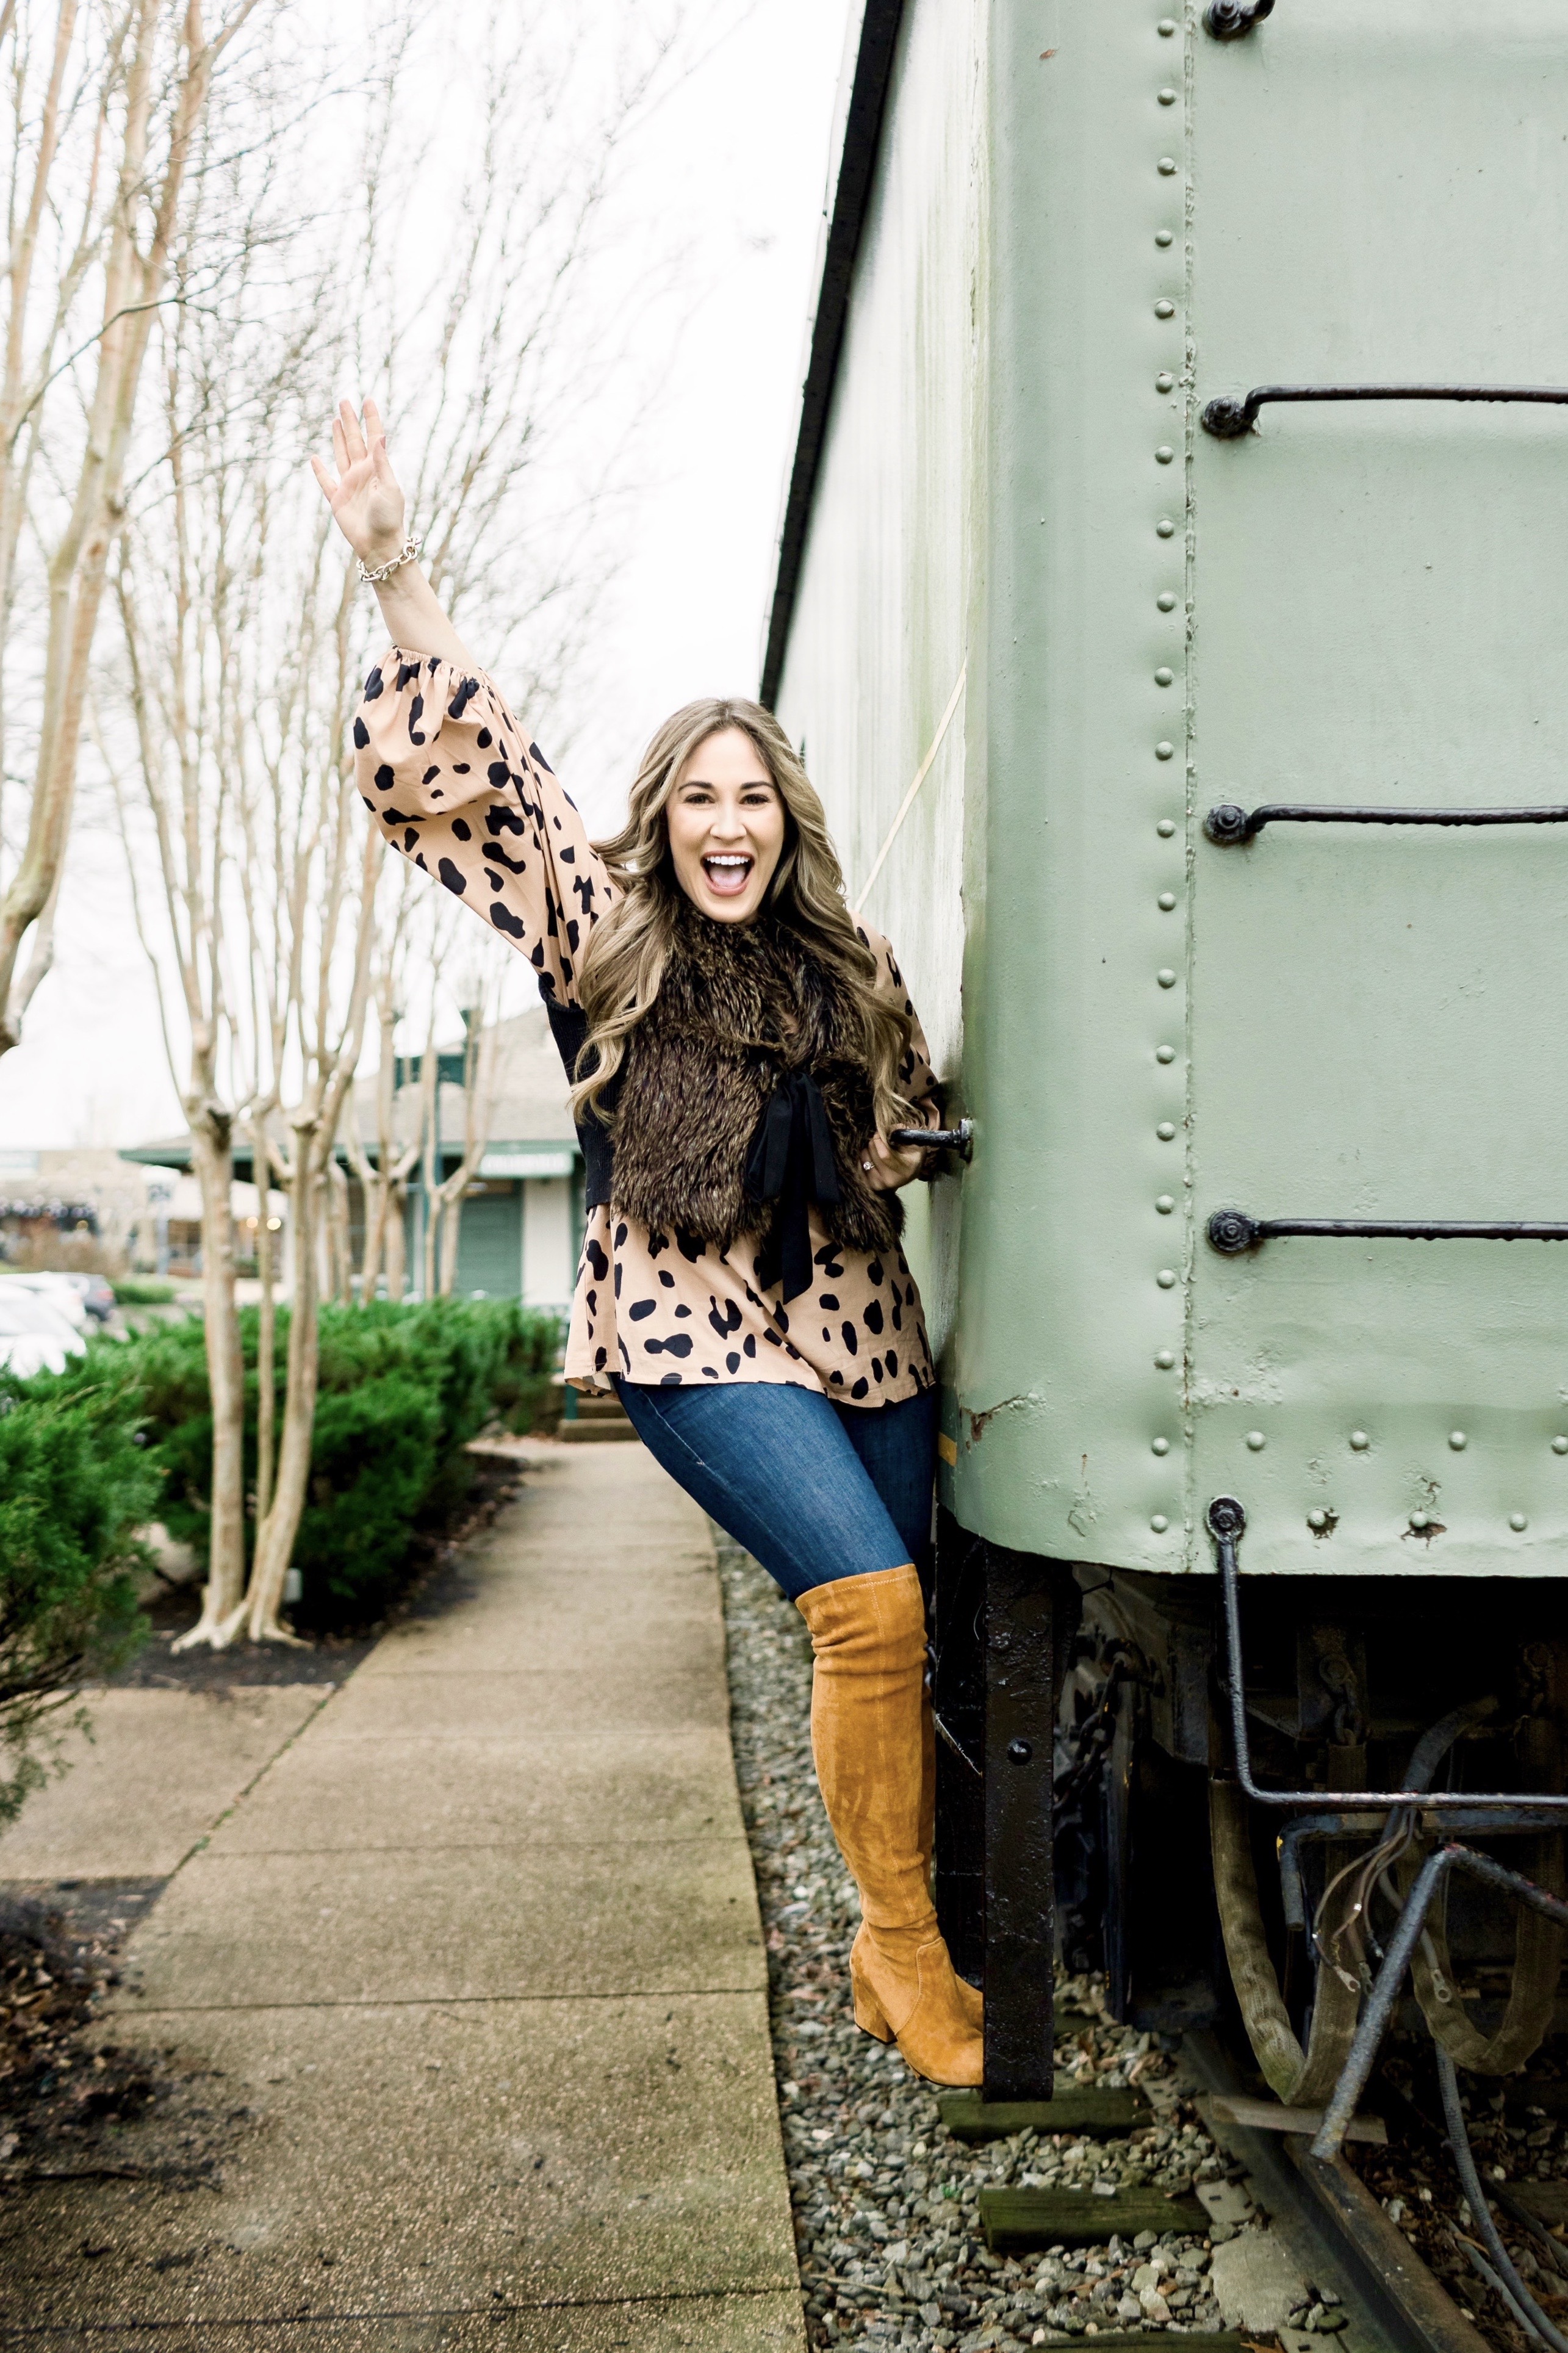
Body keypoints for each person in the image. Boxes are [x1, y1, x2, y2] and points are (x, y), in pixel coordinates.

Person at [312, 399, 982, 2086]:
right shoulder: (600, 929)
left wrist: (905, 1130)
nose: (727, 822)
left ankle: (883, 1940)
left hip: (866, 1335)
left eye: (752, 796)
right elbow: (492, 771)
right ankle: (907, 1964)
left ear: (788, 818)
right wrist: (394, 562)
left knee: (911, 1627)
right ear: (665, 822)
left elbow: (899, 1123)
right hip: (690, 1332)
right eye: (699, 798)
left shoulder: (852, 966)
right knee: (869, 1611)